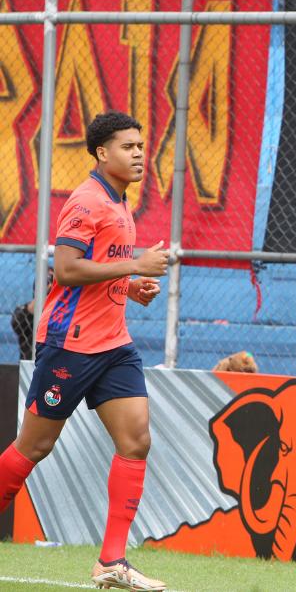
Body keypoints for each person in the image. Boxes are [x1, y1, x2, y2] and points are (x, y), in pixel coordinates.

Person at [0, 111, 169, 590]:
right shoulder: (86, 201)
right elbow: (69, 269)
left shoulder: (119, 201)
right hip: (70, 346)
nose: (138, 154)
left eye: (140, 146)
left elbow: (103, 266)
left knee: (136, 440)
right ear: (101, 152)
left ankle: (111, 561)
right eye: (127, 147)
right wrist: (135, 266)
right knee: (35, 446)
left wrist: (130, 286)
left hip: (114, 345)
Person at [10, 266, 54, 361]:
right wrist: (41, 294)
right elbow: (17, 325)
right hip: (30, 361)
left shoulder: (61, 313)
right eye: (44, 281)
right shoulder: (24, 310)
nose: (49, 285)